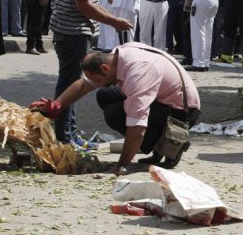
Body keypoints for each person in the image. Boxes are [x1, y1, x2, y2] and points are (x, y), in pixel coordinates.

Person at [30, 43, 201, 173]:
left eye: (98, 79)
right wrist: (58, 105)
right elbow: (83, 85)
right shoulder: (116, 57)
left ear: (105, 68)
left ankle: (173, 143)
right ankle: (158, 148)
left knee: (116, 113)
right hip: (165, 100)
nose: (97, 84)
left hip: (183, 112)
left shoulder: (138, 73)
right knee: (105, 95)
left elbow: (137, 126)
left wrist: (121, 166)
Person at [50, 0, 133, 148]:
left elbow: (89, 1)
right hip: (72, 30)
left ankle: (70, 133)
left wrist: (111, 18)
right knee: (70, 82)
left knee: (73, 80)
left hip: (76, 30)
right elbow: (84, 4)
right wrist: (114, 21)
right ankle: (65, 137)